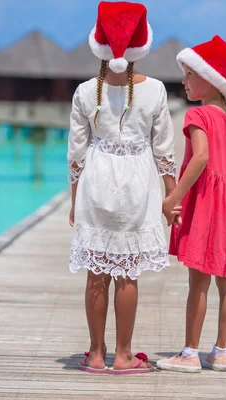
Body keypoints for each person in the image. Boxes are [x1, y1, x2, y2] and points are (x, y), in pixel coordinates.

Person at [67, 1, 179, 375]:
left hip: (96, 182)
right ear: (140, 47)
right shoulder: (157, 90)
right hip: (138, 185)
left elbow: (77, 153)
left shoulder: (84, 91)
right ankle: (124, 355)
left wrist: (72, 201)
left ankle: (95, 355)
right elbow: (164, 149)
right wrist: (171, 197)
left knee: (95, 273)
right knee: (127, 272)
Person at [158, 35, 226, 373]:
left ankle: (190, 354)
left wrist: (174, 197)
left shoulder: (198, 117)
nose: (184, 81)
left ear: (211, 81)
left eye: (189, 75)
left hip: (206, 206)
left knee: (198, 282)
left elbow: (200, 159)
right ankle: (223, 352)